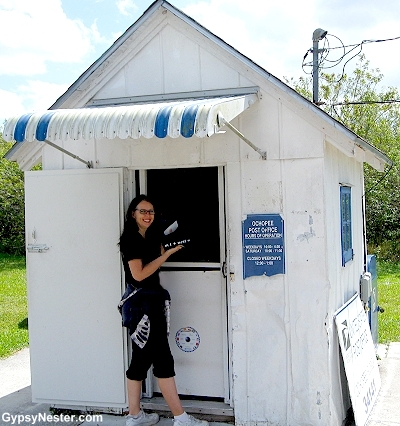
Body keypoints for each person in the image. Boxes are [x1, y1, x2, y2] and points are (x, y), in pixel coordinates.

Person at [119, 195, 209, 426]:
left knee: (141, 360)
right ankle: (180, 419)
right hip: (144, 307)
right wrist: (166, 254)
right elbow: (139, 274)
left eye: (151, 212)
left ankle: (135, 416)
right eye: (143, 212)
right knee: (161, 360)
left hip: (150, 302)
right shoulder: (131, 239)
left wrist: (169, 241)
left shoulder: (147, 236)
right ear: (133, 214)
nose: (148, 215)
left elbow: (158, 251)